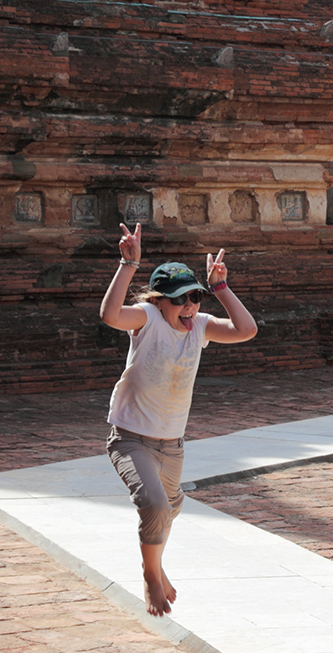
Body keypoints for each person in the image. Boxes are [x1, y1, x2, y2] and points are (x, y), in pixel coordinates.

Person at [101, 223, 257, 617]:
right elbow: (109, 314)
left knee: (168, 509)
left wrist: (220, 289)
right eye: (179, 300)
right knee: (154, 505)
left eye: (194, 298)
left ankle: (155, 568)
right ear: (158, 302)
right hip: (131, 438)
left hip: (172, 444)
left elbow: (247, 330)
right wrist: (127, 264)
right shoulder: (147, 319)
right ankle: (151, 577)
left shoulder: (200, 327)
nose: (188, 307)